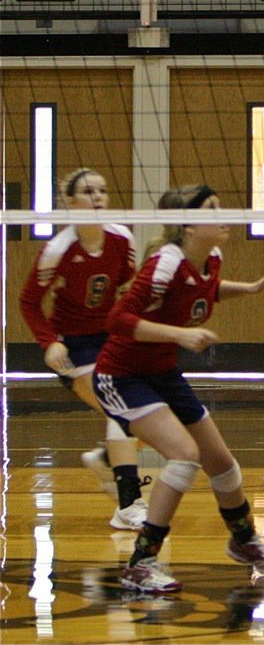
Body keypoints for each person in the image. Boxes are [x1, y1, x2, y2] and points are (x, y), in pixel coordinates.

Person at [92, 184, 264, 593]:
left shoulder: (211, 257)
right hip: (122, 375)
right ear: (188, 224)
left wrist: (253, 288)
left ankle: (244, 541)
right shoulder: (164, 262)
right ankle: (141, 563)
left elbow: (207, 289)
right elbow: (117, 319)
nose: (224, 215)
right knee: (184, 457)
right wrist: (179, 335)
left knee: (222, 463)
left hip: (163, 374)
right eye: (213, 209)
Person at [19, 168, 149, 531]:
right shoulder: (58, 250)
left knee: (145, 414)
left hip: (109, 339)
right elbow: (29, 302)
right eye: (89, 191)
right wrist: (49, 343)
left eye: (103, 191)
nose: (98, 197)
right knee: (122, 408)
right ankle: (128, 504)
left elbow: (128, 284)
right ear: (70, 202)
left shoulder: (122, 239)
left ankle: (105, 457)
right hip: (74, 347)